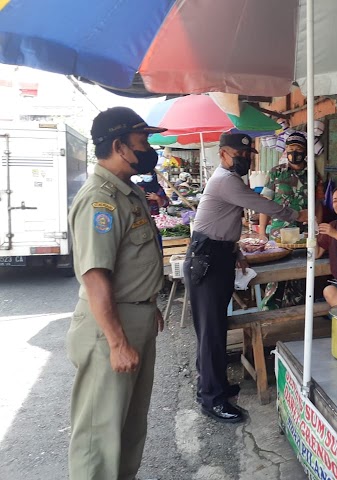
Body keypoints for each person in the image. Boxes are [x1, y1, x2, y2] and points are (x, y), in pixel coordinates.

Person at [66, 107, 167, 480]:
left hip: (134, 316)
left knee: (129, 425)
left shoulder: (129, 192)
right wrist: (116, 341)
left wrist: (149, 303)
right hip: (110, 326)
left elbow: (132, 261)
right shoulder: (100, 200)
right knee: (99, 436)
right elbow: (95, 276)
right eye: (143, 142)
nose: (149, 149)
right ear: (120, 146)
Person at [185, 132, 308, 423]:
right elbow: (262, 204)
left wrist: (235, 249)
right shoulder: (226, 181)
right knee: (211, 331)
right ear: (223, 154)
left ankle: (214, 385)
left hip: (218, 255)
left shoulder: (229, 180)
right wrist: (297, 215)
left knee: (215, 327)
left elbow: (223, 222)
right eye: (239, 154)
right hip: (207, 260)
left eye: (248, 154)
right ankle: (211, 398)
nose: (245, 158)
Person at [258, 131, 323, 240]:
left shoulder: (314, 175)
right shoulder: (276, 173)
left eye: (298, 149)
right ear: (286, 150)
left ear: (305, 152)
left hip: (305, 234)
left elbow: (318, 205)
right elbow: (265, 203)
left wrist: (318, 231)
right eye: (290, 149)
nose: (294, 153)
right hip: (279, 234)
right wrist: (261, 232)